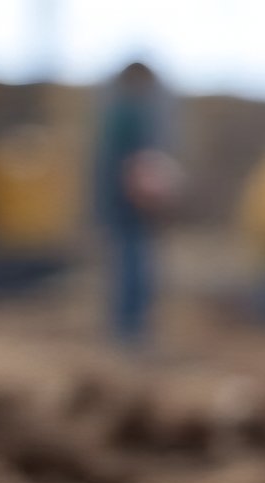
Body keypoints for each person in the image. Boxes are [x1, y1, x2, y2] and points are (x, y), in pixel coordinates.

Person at [90, 61, 177, 345]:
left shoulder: (120, 113)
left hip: (122, 204)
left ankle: (128, 327)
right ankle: (130, 329)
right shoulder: (130, 115)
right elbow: (136, 169)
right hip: (128, 206)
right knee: (133, 265)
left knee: (129, 264)